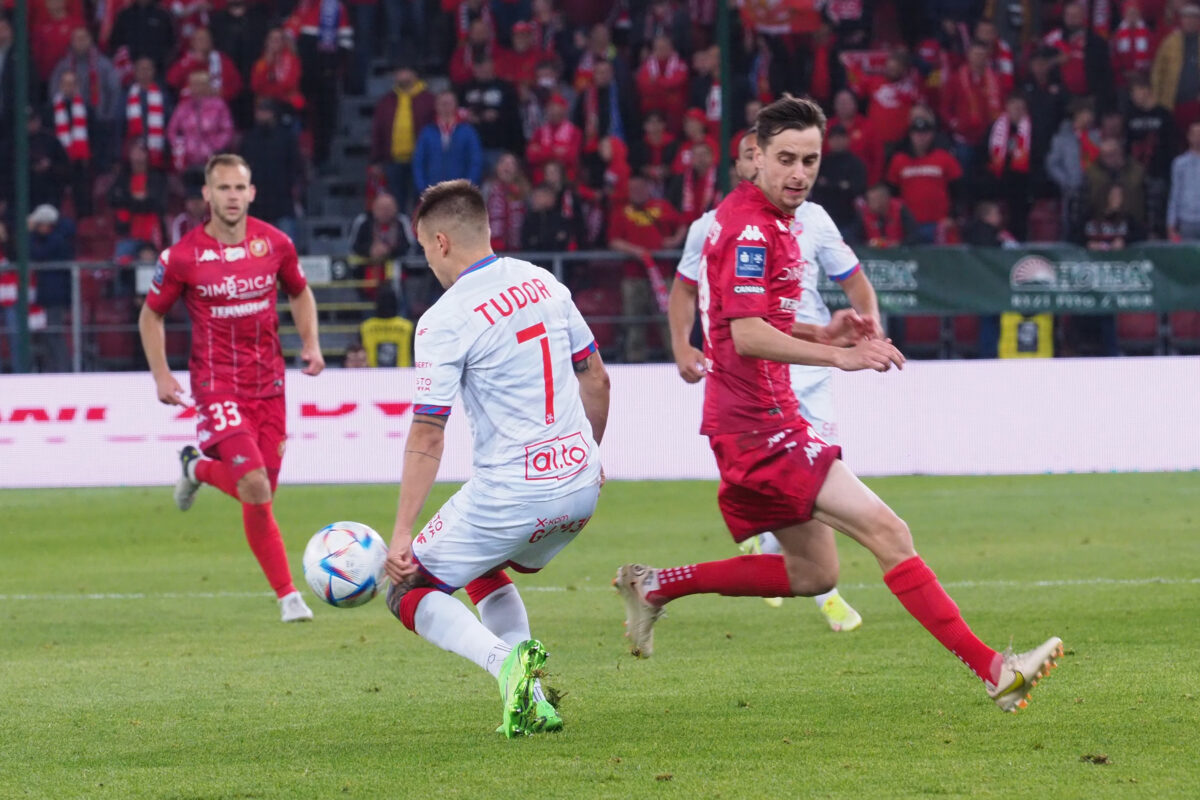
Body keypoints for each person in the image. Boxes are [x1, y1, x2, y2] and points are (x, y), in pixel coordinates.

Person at [616, 96, 1063, 714]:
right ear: (756, 159)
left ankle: (657, 585)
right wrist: (840, 358)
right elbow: (743, 334)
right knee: (890, 532)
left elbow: (744, 324)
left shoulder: (776, 221)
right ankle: (996, 671)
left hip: (757, 419)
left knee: (813, 575)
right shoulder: (750, 228)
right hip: (759, 426)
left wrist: (822, 335)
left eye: (810, 160)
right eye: (785, 159)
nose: (798, 173)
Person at [382, 179, 610, 737]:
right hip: (583, 483)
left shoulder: (444, 318)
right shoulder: (545, 283)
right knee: (482, 563)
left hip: (515, 493)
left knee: (408, 590)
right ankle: (532, 702)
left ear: (439, 243)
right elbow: (597, 379)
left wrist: (402, 532)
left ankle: (506, 664)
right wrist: (582, 459)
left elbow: (428, 432)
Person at [667, 126, 871, 630]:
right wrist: (681, 344)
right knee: (823, 494)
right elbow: (686, 293)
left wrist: (864, 329)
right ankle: (826, 587)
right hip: (751, 383)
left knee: (817, 487)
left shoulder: (814, 219)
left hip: (809, 371)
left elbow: (854, 279)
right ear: (744, 164)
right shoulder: (715, 226)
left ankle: (798, 561)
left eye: (805, 159)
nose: (769, 165)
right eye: (751, 156)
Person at [138, 153, 325, 623]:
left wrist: (312, 345)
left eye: (239, 188)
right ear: (206, 194)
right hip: (216, 382)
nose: (232, 196)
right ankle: (288, 597)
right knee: (254, 484)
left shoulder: (276, 243)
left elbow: (299, 291)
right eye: (223, 188)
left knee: (260, 494)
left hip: (270, 385)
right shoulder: (181, 256)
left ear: (252, 192)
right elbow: (151, 314)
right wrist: (162, 374)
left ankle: (196, 469)